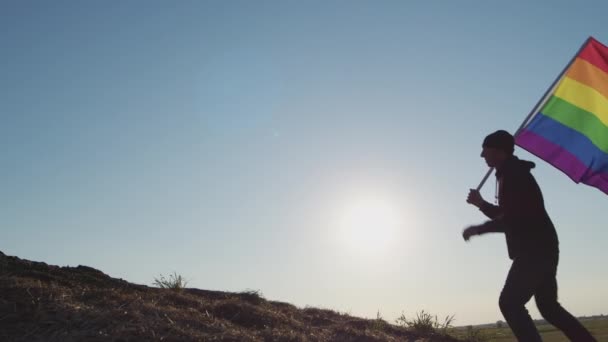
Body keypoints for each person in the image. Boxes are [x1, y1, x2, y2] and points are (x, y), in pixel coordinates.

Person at [463, 130, 596, 342]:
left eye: (485, 150)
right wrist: (481, 205)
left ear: (498, 151)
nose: (482, 155)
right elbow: (509, 215)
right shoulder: (510, 174)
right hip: (543, 247)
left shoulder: (515, 176)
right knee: (549, 308)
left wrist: (478, 228)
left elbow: (511, 220)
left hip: (534, 250)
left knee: (510, 302)